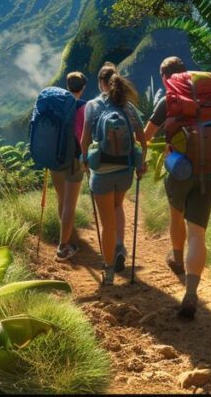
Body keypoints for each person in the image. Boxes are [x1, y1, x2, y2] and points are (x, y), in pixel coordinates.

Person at [143, 56, 211, 319]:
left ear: (166, 77)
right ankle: (191, 291)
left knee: (176, 216)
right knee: (198, 233)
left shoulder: (170, 98)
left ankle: (177, 259)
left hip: (181, 169)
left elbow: (145, 135)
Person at [80, 64, 148, 285]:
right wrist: (141, 163)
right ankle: (119, 246)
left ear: (101, 84)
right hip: (125, 170)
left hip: (102, 171)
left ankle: (108, 270)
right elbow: (142, 139)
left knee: (106, 221)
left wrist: (85, 162)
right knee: (118, 206)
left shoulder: (92, 106)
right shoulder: (127, 107)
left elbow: (84, 139)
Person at [52, 71, 88, 261]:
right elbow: (84, 138)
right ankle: (63, 246)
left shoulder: (56, 106)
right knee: (69, 204)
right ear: (83, 88)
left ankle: (67, 233)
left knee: (61, 198)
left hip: (55, 159)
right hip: (74, 160)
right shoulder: (83, 107)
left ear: (67, 85)